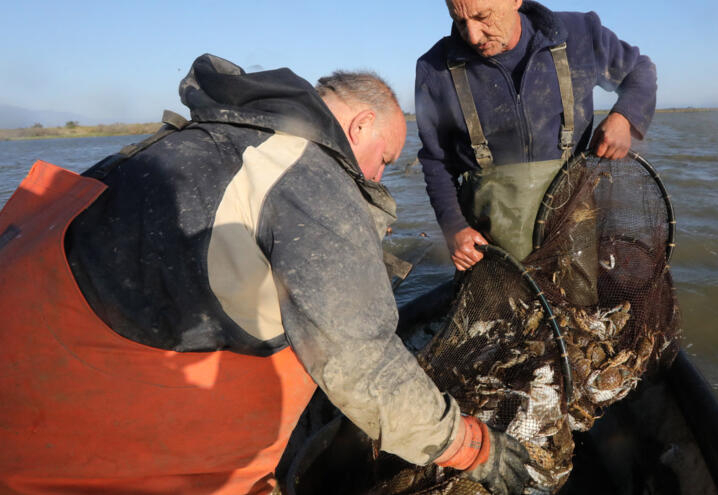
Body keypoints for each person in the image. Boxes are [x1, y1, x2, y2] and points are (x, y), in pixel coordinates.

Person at [0, 54, 529, 495]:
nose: (376, 176)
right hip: (79, 436)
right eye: (384, 159)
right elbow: (358, 356)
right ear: (360, 126)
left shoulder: (194, 140)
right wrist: (467, 445)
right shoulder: (311, 174)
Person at [415, 0, 658, 268]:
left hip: (573, 238)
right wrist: (454, 228)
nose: (472, 35)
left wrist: (625, 116)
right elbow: (435, 161)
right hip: (490, 256)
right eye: (460, 22)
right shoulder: (435, 70)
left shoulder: (580, 35)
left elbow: (639, 71)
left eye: (482, 16)